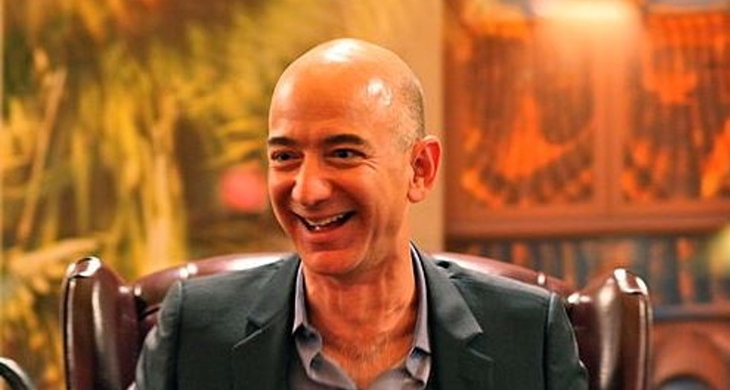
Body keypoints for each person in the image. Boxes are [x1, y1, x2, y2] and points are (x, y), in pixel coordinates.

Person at [133, 38, 588, 389]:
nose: (307, 190)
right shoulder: (196, 330)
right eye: (285, 157)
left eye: (344, 153)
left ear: (420, 169)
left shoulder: (527, 335)